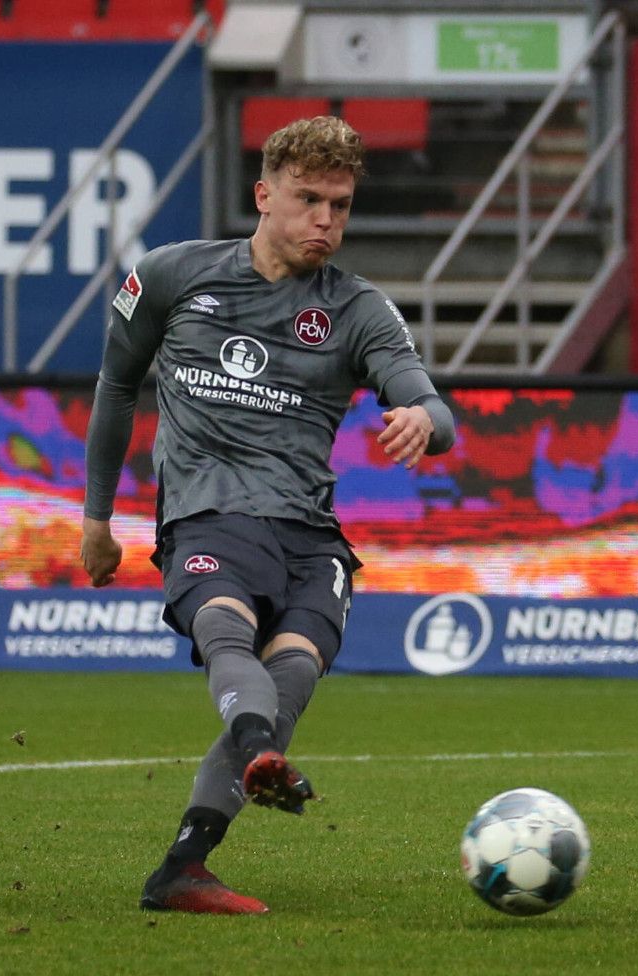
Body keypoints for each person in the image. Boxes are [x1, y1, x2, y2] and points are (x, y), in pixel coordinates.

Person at [80, 116, 456, 915]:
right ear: (263, 194)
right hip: (208, 511)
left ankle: (183, 868)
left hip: (310, 533)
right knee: (223, 620)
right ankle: (258, 751)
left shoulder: (358, 309)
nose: (326, 220)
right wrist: (97, 519)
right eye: (308, 199)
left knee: (294, 669)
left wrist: (424, 419)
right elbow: (116, 388)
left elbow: (430, 401)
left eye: (342, 205)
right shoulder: (173, 275)